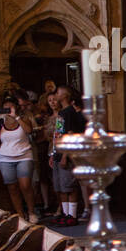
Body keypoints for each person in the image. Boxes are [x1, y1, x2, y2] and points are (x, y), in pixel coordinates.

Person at [0, 95, 38, 222]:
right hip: (5, 157)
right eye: (5, 108)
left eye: (10, 107)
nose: (8, 110)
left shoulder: (23, 118)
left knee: (25, 185)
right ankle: (20, 214)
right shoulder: (1, 121)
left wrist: (16, 117)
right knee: (12, 187)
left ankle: (31, 212)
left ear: (16, 107)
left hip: (24, 155)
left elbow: (29, 130)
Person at [48, 85, 86, 227]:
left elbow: (70, 135)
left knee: (69, 186)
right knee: (60, 187)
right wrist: (53, 153)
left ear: (65, 96)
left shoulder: (69, 113)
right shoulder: (62, 113)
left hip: (66, 154)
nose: (56, 95)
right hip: (57, 152)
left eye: (58, 92)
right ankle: (65, 213)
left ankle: (72, 215)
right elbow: (57, 135)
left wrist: (65, 155)